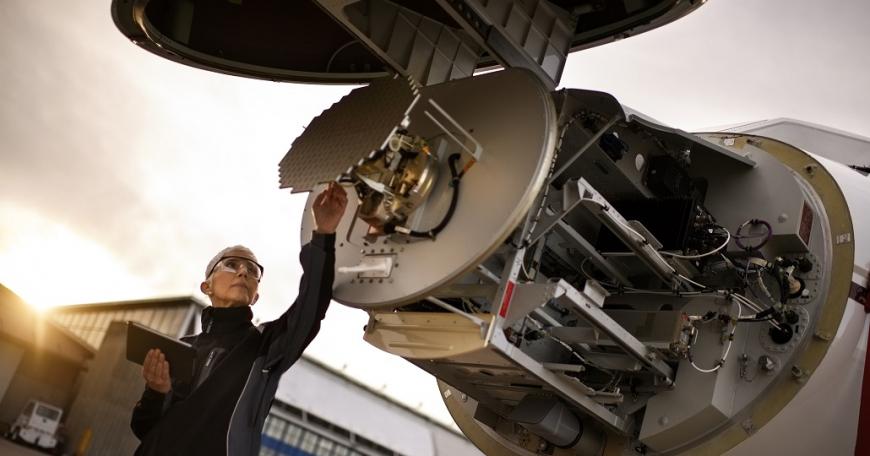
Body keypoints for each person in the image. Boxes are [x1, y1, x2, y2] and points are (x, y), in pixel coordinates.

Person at [130, 183, 348, 455]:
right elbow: (144, 429)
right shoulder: (182, 349)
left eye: (253, 271)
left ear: (255, 296)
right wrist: (156, 391)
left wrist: (323, 234)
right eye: (231, 264)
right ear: (206, 286)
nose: (243, 272)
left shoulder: (265, 346)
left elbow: (310, 309)